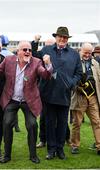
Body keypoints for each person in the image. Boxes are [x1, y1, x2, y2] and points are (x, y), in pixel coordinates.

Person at [0, 40, 53, 164]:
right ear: (18, 52)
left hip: (28, 101)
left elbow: (46, 75)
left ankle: (33, 155)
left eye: (29, 50)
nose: (28, 52)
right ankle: (7, 155)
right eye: (25, 49)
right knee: (6, 124)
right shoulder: (9, 60)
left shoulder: (36, 62)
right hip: (11, 99)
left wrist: (48, 64)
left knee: (32, 125)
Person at [38, 27, 82, 160]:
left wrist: (71, 83)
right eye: (60, 37)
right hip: (48, 92)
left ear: (67, 39)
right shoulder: (46, 50)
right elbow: (36, 64)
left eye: (65, 37)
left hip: (64, 94)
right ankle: (51, 149)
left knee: (63, 123)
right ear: (56, 37)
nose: (62, 39)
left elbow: (79, 73)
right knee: (50, 123)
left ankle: (60, 148)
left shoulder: (74, 54)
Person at [70, 43, 100, 155]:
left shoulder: (95, 63)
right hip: (79, 97)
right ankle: (74, 145)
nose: (87, 55)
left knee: (97, 121)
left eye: (89, 52)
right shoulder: (74, 63)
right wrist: (77, 86)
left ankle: (99, 146)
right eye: (85, 52)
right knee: (77, 123)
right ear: (80, 51)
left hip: (93, 97)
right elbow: (71, 79)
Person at [0, 34, 21, 132]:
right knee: (14, 104)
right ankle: (16, 126)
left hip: (1, 83)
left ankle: (5, 124)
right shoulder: (11, 54)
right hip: (11, 83)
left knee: (7, 106)